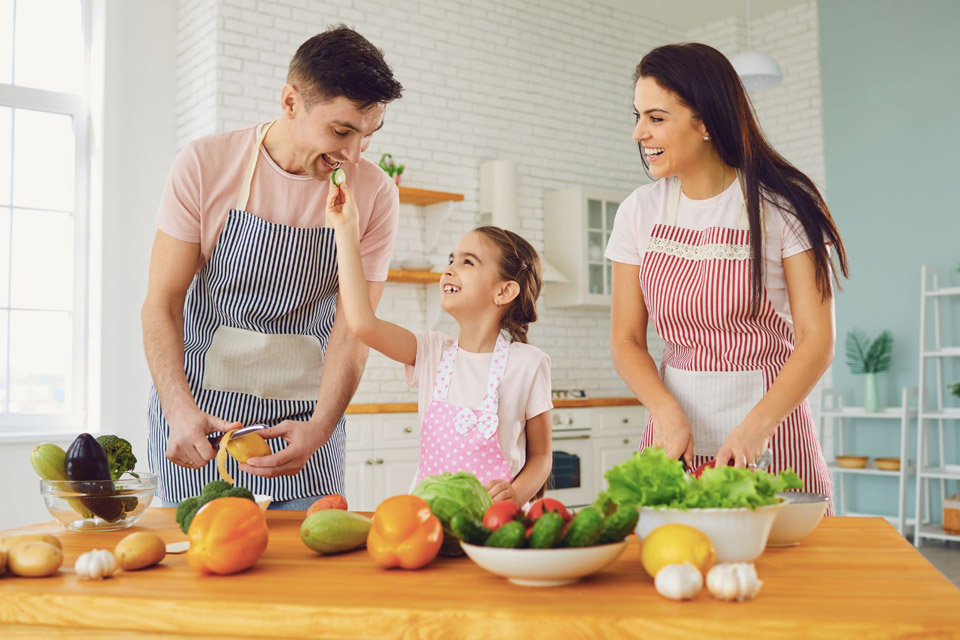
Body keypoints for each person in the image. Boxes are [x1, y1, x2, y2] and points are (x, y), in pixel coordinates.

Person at [141, 25, 403, 508]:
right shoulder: (206, 164)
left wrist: (321, 427)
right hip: (204, 423)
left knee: (305, 578)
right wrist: (178, 410)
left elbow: (352, 332)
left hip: (304, 427)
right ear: (289, 103)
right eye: (341, 130)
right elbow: (163, 303)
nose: (354, 153)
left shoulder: (377, 194)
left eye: (368, 135)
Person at [605, 43, 848, 507]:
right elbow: (627, 341)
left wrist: (757, 429)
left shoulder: (785, 205)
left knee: (785, 576)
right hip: (675, 438)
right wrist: (666, 415)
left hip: (772, 438)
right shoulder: (639, 211)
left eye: (656, 118)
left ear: (705, 122)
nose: (639, 133)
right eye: (637, 116)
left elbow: (817, 340)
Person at [328, 182, 553, 505]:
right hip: (429, 518)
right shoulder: (432, 352)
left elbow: (542, 457)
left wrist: (514, 496)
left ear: (504, 291)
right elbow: (363, 323)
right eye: (451, 259)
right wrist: (347, 229)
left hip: (497, 524)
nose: (449, 269)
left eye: (468, 262)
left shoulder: (530, 364)